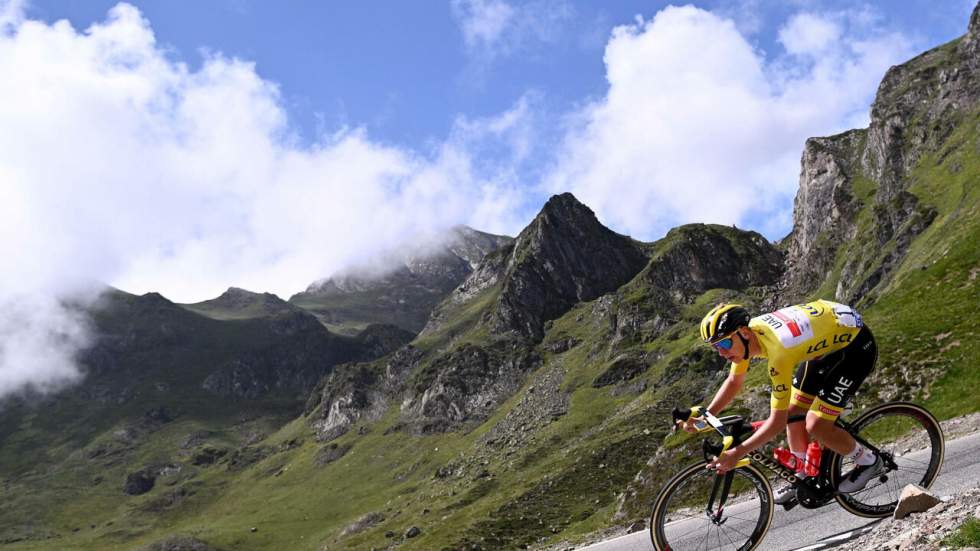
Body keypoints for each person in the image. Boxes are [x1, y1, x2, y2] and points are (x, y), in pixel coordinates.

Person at [681, 301, 884, 500]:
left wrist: (737, 453)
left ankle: (868, 461)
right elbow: (734, 381)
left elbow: (776, 423)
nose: (722, 353)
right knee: (794, 411)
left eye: (724, 343)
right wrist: (706, 416)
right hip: (826, 340)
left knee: (816, 424)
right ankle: (803, 475)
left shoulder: (778, 353)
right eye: (716, 347)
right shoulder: (747, 338)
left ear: (743, 332)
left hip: (856, 347)